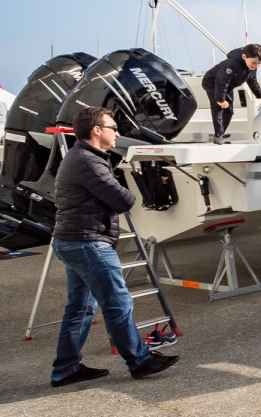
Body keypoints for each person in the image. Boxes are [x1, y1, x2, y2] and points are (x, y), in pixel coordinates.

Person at [49, 106, 179, 386]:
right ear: (97, 130)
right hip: (87, 242)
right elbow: (124, 200)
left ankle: (66, 369)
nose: (117, 133)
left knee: (80, 308)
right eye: (113, 128)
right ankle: (139, 360)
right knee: (117, 302)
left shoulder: (82, 157)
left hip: (72, 241)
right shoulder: (88, 161)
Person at [200, 44, 261, 143]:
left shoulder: (252, 67)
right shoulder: (231, 63)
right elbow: (221, 81)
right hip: (212, 83)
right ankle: (218, 136)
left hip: (228, 86)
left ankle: (220, 136)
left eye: (259, 63)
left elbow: (253, 82)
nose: (256, 66)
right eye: (254, 63)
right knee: (218, 108)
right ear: (244, 57)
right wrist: (220, 100)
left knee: (229, 111)